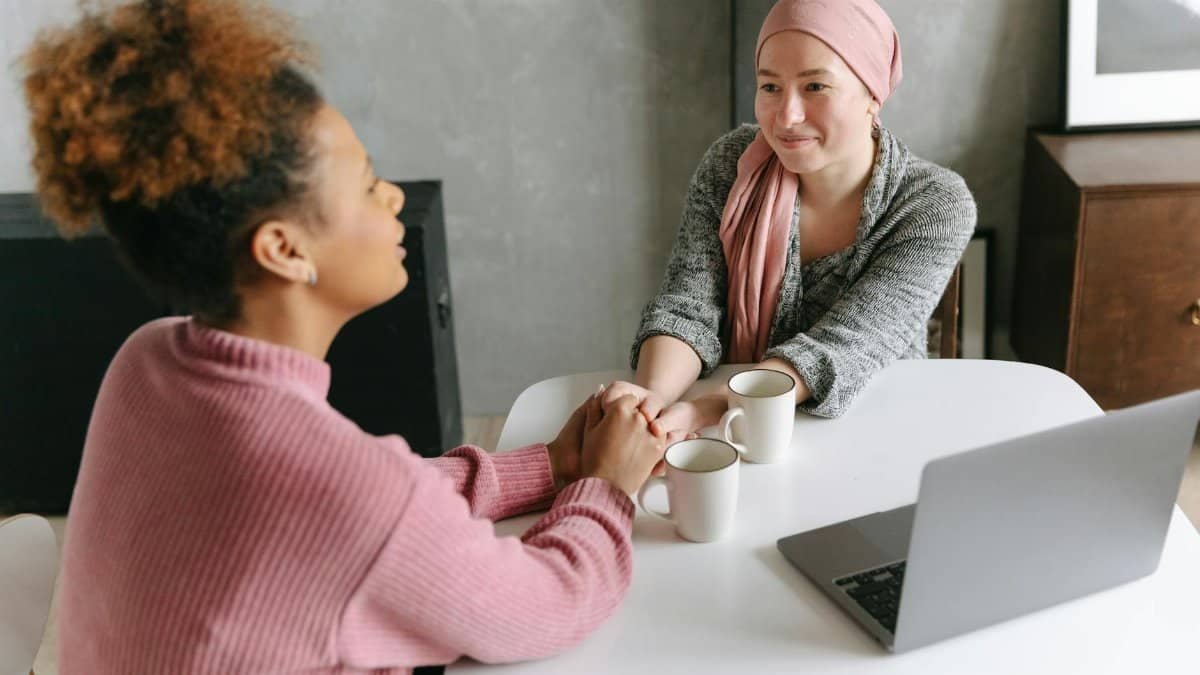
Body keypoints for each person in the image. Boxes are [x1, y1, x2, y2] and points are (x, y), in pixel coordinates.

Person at [22, 1, 665, 672]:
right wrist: (607, 484)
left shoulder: (146, 360)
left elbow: (373, 508)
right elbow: (549, 605)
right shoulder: (339, 487)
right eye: (365, 184)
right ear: (284, 249)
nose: (390, 198)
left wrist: (549, 467)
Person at [604, 0, 977, 434]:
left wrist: (712, 408)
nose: (786, 117)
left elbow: (843, 347)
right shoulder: (733, 164)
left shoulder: (934, 205)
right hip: (737, 437)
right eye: (770, 87)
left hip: (873, 432)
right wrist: (652, 399)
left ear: (873, 94)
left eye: (815, 86)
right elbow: (688, 308)